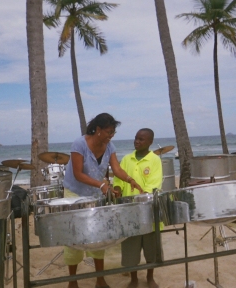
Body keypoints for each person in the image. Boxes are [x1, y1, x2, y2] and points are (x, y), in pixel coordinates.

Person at [63, 113, 143, 288]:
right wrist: (101, 185)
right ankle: (72, 281)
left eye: (113, 132)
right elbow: (78, 174)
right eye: (108, 132)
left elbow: (116, 168)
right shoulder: (79, 144)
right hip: (75, 194)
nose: (111, 136)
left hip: (96, 194)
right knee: (74, 237)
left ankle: (100, 279)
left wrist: (130, 180)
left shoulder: (109, 146)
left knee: (99, 235)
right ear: (97, 130)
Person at [113, 128, 163, 288]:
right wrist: (118, 189)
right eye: (136, 138)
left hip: (148, 210)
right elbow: (119, 177)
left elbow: (154, 183)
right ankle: (133, 278)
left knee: (151, 247)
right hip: (129, 211)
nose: (137, 141)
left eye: (141, 139)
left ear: (150, 142)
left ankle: (150, 277)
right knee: (131, 249)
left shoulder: (155, 160)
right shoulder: (127, 159)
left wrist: (142, 197)